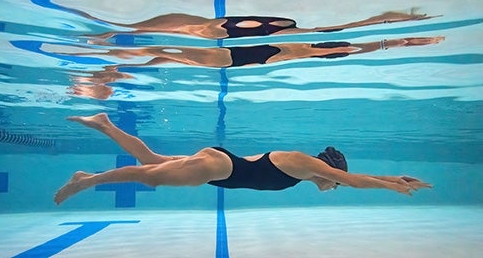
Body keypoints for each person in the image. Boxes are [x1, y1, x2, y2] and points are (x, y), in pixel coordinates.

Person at [54, 113, 432, 205]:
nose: (333, 185)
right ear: (330, 171)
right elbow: (351, 180)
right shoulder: (304, 164)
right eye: (334, 179)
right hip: (218, 167)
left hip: (220, 168)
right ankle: (87, 179)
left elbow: (354, 176)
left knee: (152, 159)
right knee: (150, 176)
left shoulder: (306, 173)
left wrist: (394, 177)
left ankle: (104, 124)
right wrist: (391, 186)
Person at [62, 36, 445, 68]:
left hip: (242, 58)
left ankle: (114, 57)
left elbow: (352, 49)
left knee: (169, 56)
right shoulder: (307, 49)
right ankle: (111, 53)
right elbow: (354, 48)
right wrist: (394, 43)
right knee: (170, 54)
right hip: (235, 58)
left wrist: (393, 43)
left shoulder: (307, 49)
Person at [80, 8, 441, 41]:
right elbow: (351, 26)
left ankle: (119, 27)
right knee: (205, 30)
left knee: (204, 28)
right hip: (276, 29)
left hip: (276, 28)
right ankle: (119, 27)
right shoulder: (313, 37)